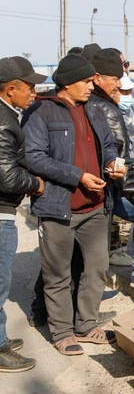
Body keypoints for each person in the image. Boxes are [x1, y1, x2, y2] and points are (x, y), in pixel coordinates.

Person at [22, 54, 126, 355]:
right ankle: (63, 332)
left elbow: (108, 145)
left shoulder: (93, 109)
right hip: (57, 208)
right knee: (57, 274)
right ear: (67, 83)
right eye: (85, 82)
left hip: (95, 207)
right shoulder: (41, 111)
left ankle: (87, 325)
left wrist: (111, 164)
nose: (91, 87)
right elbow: (34, 157)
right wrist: (78, 176)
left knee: (96, 268)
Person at [89, 50, 134, 287]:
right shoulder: (108, 110)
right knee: (90, 255)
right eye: (119, 88)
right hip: (106, 187)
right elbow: (118, 158)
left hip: (112, 185)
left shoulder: (97, 104)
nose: (122, 93)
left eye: (127, 90)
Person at [0, 57, 45, 372]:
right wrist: (36, 183)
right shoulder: (3, 120)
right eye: (30, 87)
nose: (34, 92)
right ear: (11, 88)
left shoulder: (9, 115)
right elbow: (6, 176)